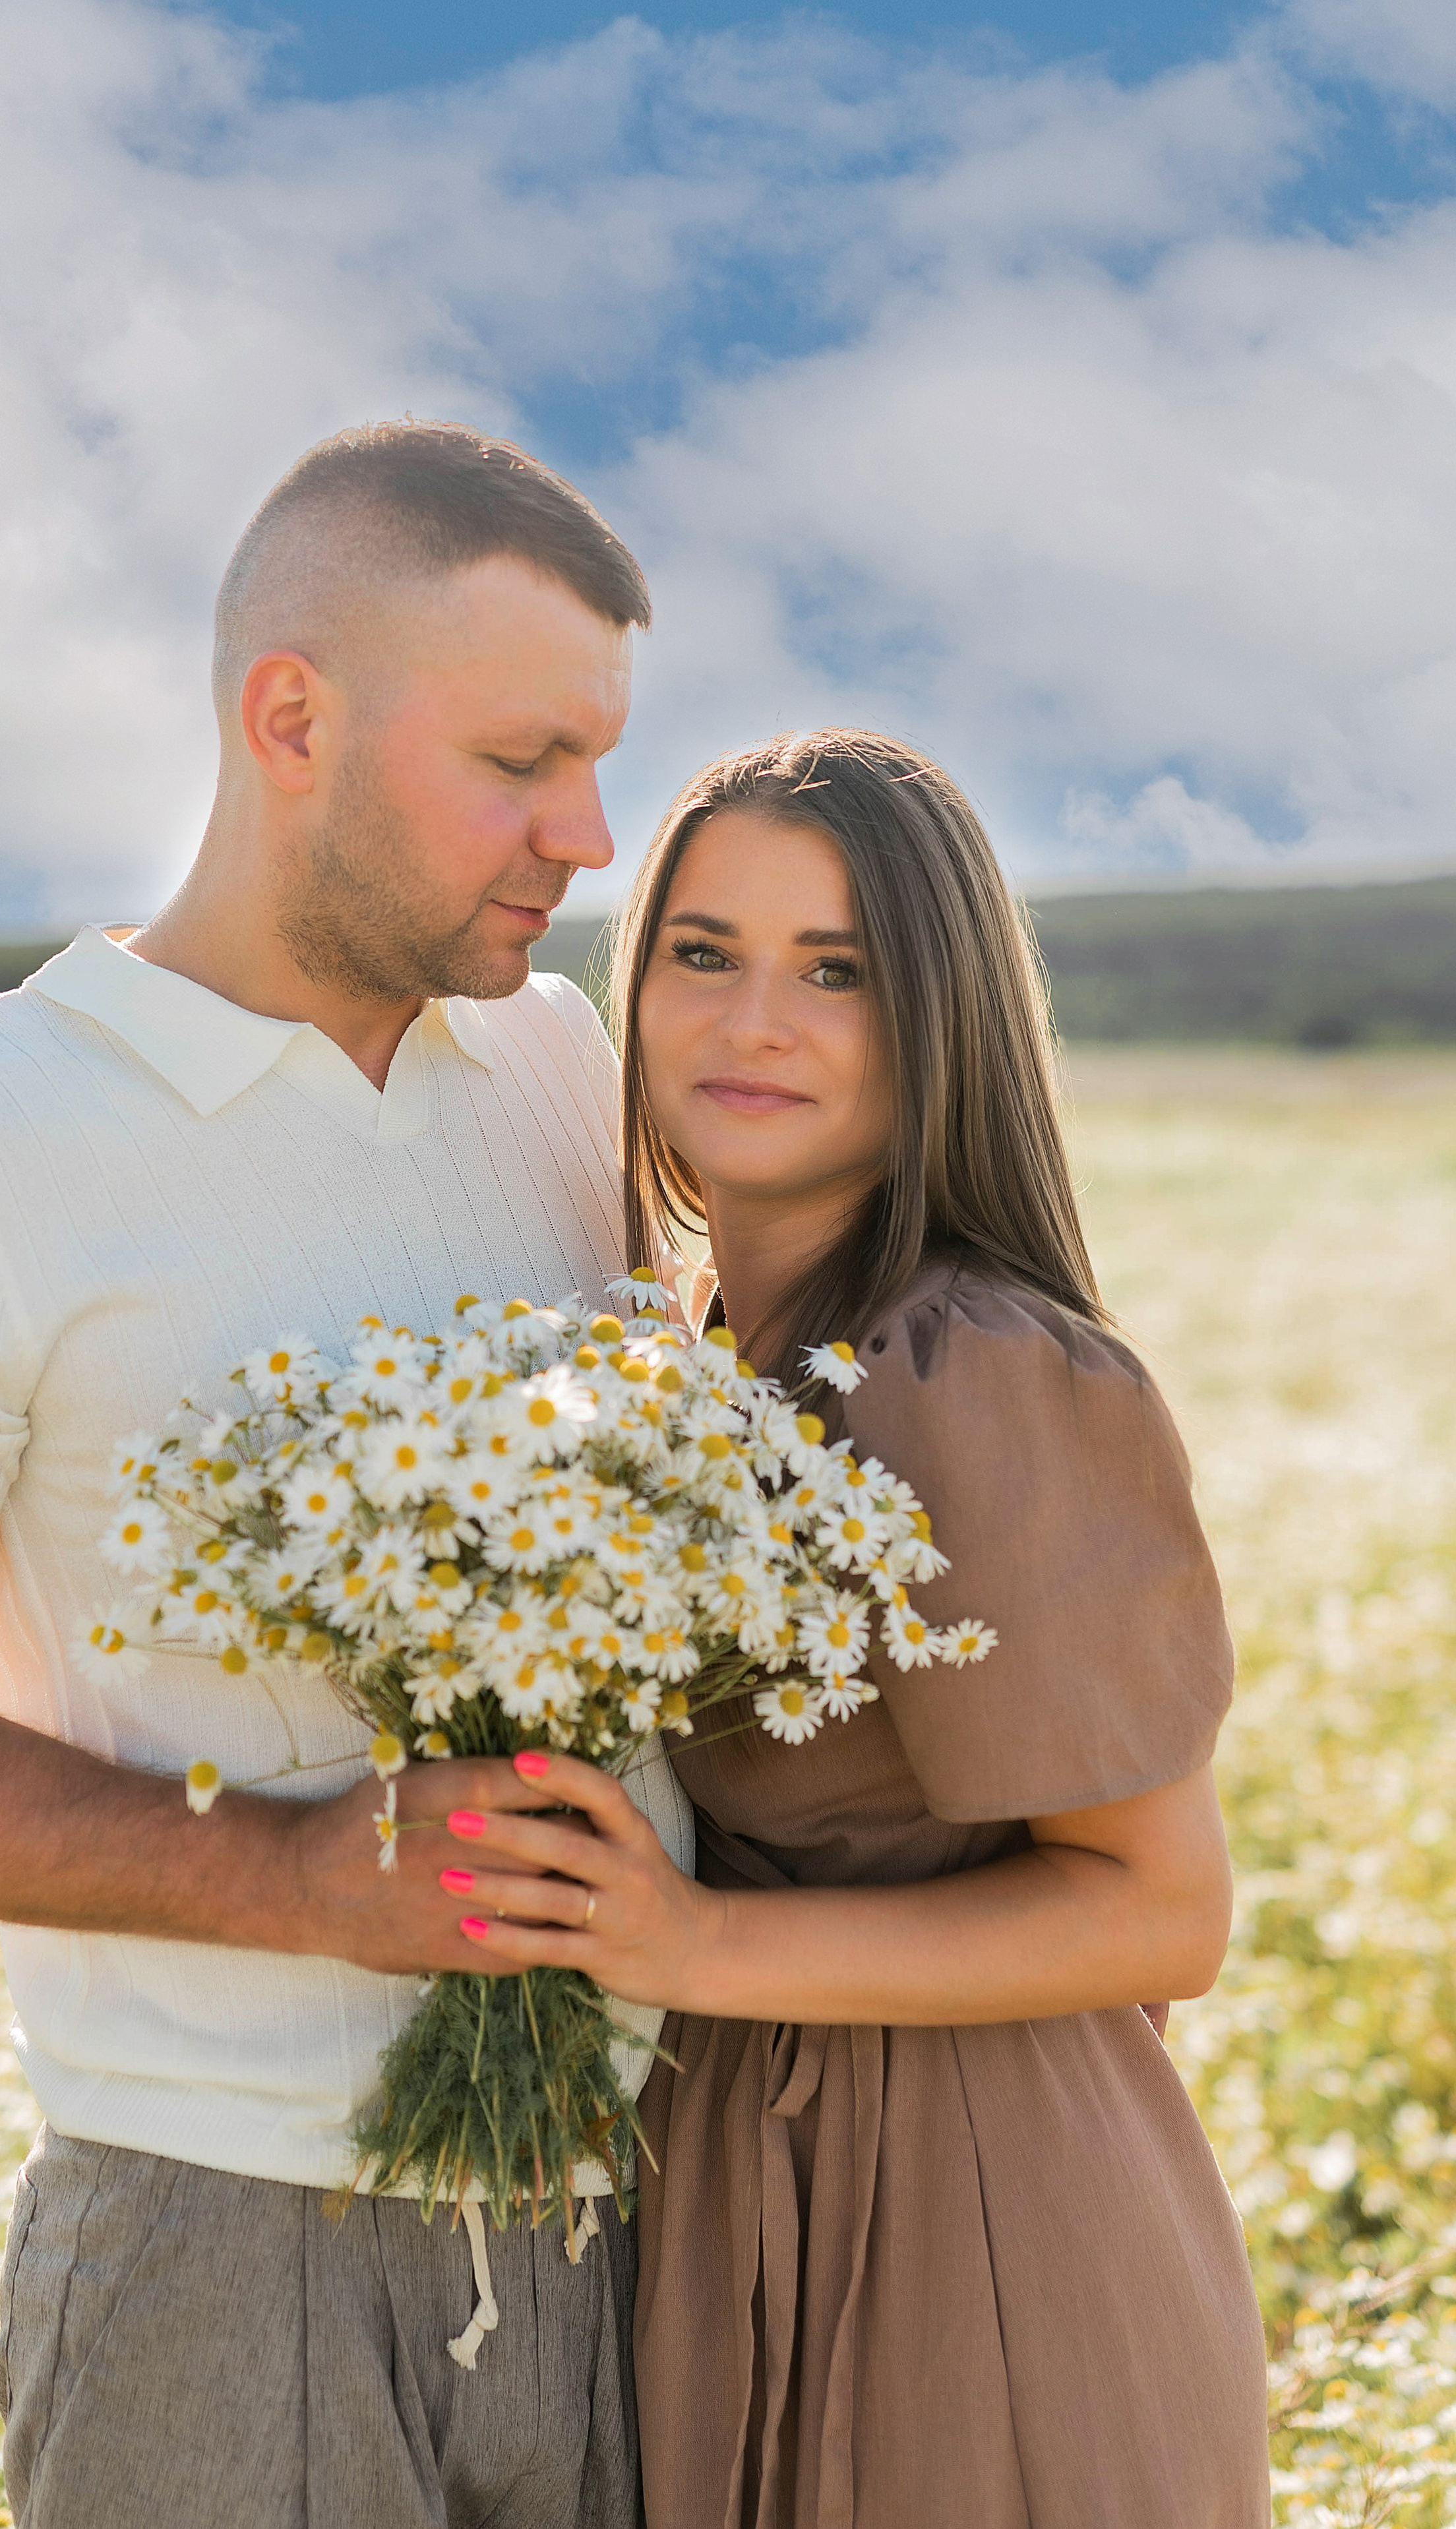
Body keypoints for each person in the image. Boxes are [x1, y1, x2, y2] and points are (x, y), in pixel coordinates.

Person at [0, 419, 693, 2529]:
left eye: (601, 758)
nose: (591, 832)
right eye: (524, 759)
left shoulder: (565, 1065)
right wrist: (288, 1877)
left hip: (642, 2224)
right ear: (293, 716)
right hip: (221, 2257)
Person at [434, 729, 1273, 2526]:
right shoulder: (679, 1357)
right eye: (704, 951)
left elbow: (1164, 1910)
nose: (756, 1023)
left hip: (984, 2211)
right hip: (749, 2168)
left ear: (943, 1018)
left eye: (840, 971)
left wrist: (691, 1944)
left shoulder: (968, 1372)